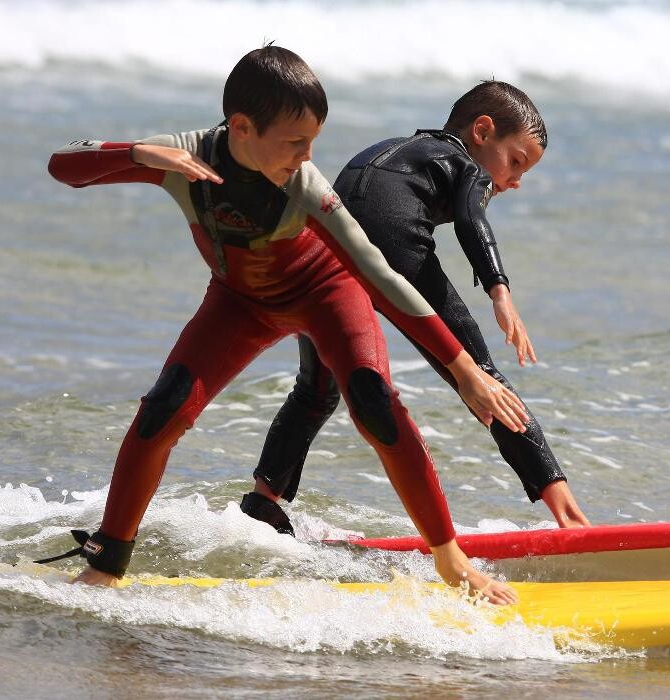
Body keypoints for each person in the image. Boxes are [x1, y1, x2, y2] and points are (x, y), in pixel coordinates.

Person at [41, 46, 528, 604]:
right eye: (295, 143)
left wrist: (463, 367)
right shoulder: (185, 156)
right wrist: (140, 155)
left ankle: (451, 559)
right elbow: (63, 165)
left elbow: (375, 271)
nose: (306, 156)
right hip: (240, 302)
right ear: (242, 127)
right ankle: (108, 561)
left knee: (374, 405)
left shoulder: (306, 185)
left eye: (314, 142)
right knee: (163, 410)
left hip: (327, 293)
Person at [240, 82, 591, 534]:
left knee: (317, 389)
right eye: (516, 162)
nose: (515, 181)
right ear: (482, 131)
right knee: (480, 376)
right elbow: (470, 218)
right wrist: (499, 290)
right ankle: (570, 516)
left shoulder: (399, 149)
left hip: (327, 251)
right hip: (394, 247)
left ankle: (262, 502)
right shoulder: (462, 160)